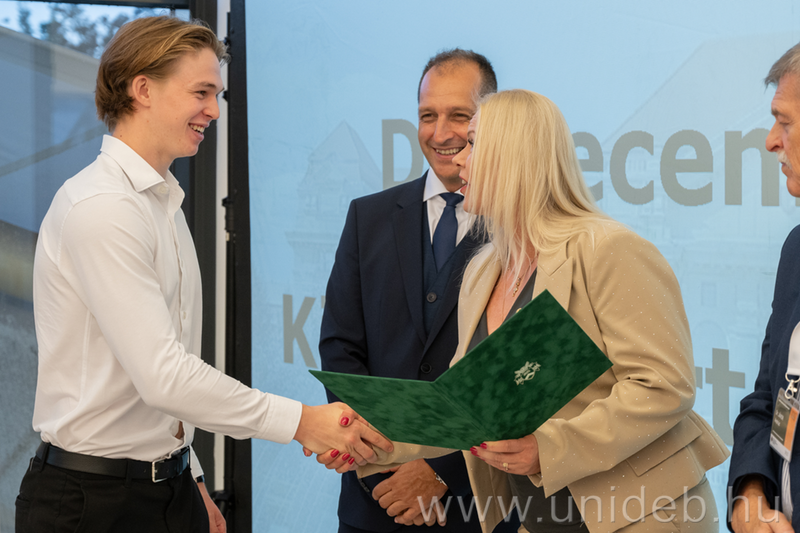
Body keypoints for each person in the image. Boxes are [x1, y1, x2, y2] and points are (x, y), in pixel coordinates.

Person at [14, 16, 391, 533]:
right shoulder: (103, 207)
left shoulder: (162, 202)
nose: (214, 110)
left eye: (217, 94)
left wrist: (188, 478)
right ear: (143, 89)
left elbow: (166, 377)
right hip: (91, 505)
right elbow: (164, 375)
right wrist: (303, 422)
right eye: (201, 92)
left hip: (165, 489)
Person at [344, 89, 730, 532]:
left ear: (512, 157)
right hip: (540, 517)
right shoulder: (482, 270)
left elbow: (663, 385)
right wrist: (372, 441)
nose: (458, 160)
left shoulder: (608, 249)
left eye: (473, 144)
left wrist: (550, 449)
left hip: (641, 514)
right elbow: (468, 407)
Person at [319, 49, 518, 531]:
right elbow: (341, 348)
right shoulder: (367, 217)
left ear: (488, 123)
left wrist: (443, 472)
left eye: (459, 116)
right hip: (374, 503)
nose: (440, 133)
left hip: (479, 508)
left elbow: (519, 376)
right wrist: (380, 468)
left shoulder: (520, 230)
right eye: (428, 116)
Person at [728, 42, 800, 533]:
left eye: (784, 122)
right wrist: (751, 495)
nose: (771, 141)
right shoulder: (796, 250)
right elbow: (772, 398)